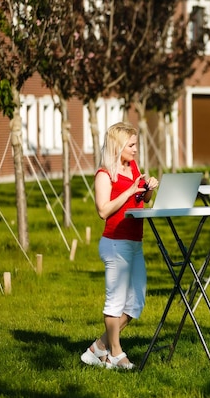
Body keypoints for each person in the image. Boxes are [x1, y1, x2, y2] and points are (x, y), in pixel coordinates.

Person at [80, 122, 159, 370]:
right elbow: (103, 210)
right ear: (118, 146)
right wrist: (130, 191)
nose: (136, 150)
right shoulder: (104, 174)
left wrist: (147, 191)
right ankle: (116, 353)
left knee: (136, 302)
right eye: (131, 145)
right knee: (115, 302)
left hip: (135, 241)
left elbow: (139, 199)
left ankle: (98, 348)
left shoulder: (133, 168)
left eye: (136, 144)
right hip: (115, 242)